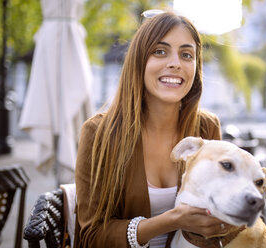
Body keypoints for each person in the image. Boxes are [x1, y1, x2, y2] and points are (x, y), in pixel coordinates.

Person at [74, 10, 228, 248]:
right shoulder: (98, 133)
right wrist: (171, 220)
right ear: (139, 61)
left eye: (186, 55)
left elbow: (222, 212)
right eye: (160, 51)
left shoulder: (206, 128)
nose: (175, 63)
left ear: (196, 68)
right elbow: (91, 236)